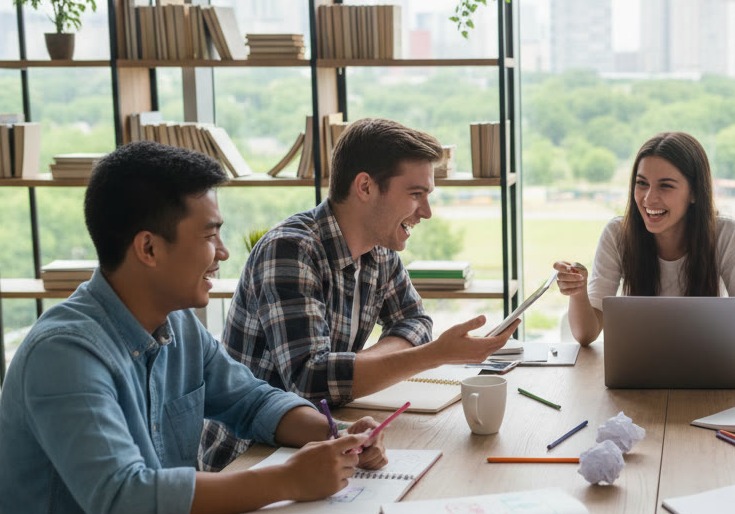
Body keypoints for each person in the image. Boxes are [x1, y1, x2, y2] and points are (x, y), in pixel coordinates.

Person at [0, 142, 388, 514]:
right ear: (149, 248)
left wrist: (336, 432)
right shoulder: (64, 354)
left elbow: (252, 400)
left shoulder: (177, 325)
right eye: (210, 235)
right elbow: (123, 500)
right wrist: (287, 480)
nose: (223, 253)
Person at [198, 118, 516, 471]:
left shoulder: (379, 251)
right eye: (415, 194)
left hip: (331, 437)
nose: (426, 212)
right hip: (250, 458)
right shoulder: (290, 249)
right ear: (365, 186)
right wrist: (431, 356)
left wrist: (371, 362)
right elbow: (309, 382)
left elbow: (415, 321)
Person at [554, 131, 735, 345]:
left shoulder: (724, 233)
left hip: (705, 369)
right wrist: (579, 292)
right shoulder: (617, 233)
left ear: (694, 193)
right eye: (642, 183)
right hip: (638, 371)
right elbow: (585, 335)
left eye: (665, 185)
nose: (648, 198)